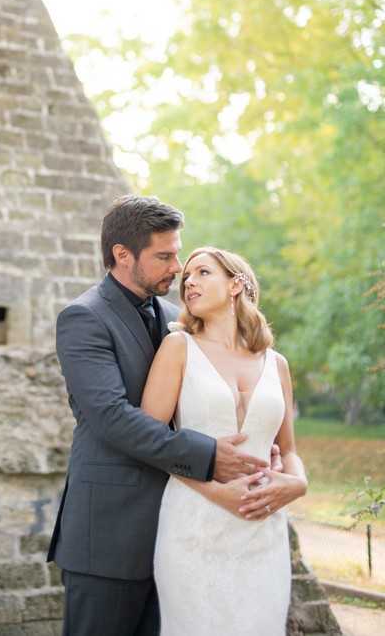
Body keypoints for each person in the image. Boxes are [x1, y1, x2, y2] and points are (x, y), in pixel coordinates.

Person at [47, 196, 281, 636]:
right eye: (164, 256)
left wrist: (258, 442)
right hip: (111, 535)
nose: (177, 268)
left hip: (184, 535)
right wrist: (208, 454)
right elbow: (112, 417)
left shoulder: (180, 321)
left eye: (179, 253)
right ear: (122, 255)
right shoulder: (84, 318)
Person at [142, 246, 307, 636]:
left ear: (235, 285)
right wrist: (218, 494)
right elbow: (150, 440)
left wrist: (298, 484)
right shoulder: (178, 347)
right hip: (192, 523)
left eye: (203, 273)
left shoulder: (276, 363)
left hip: (261, 527)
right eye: (187, 280)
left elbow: (289, 451)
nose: (190, 283)